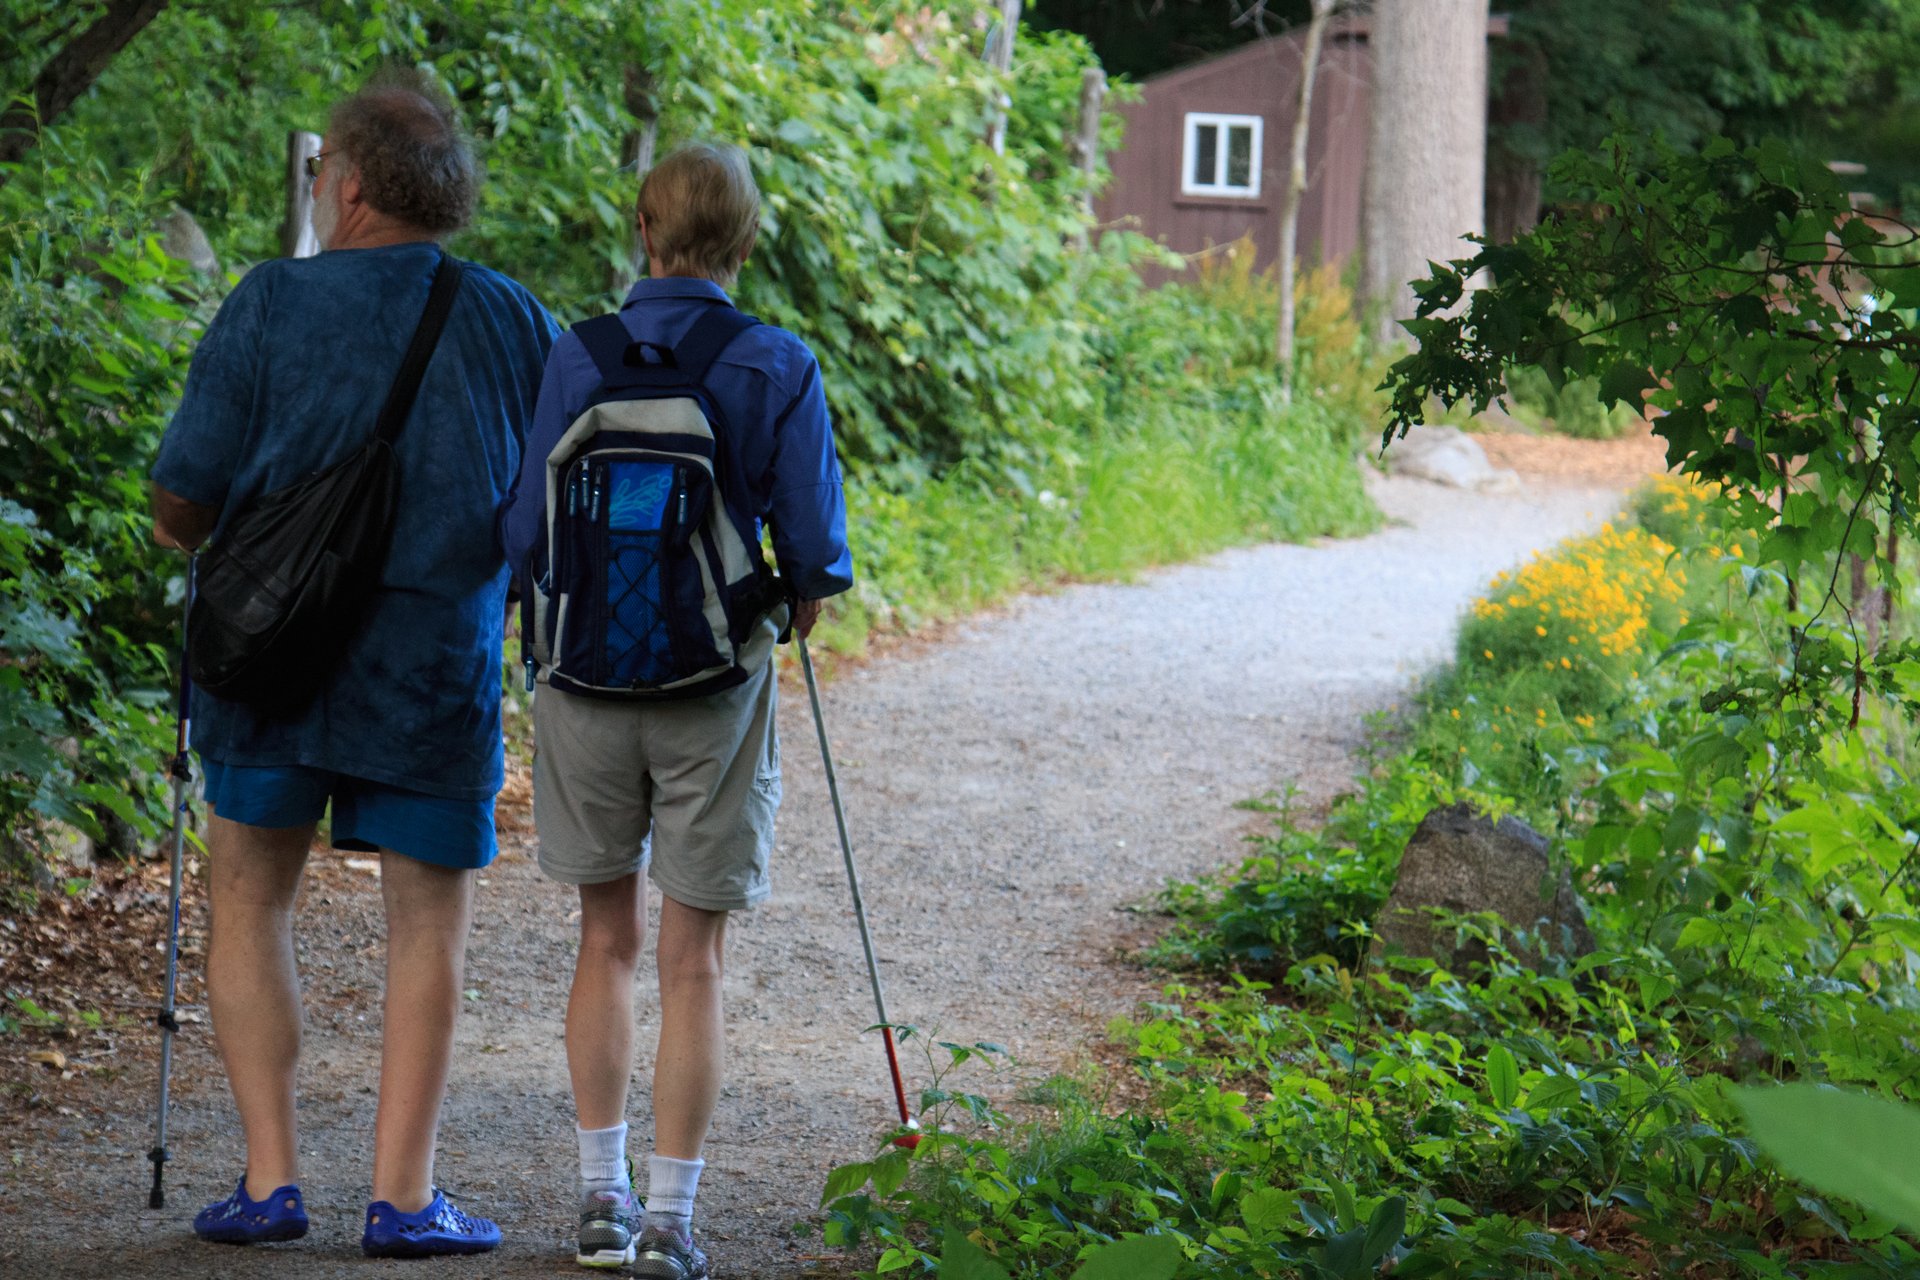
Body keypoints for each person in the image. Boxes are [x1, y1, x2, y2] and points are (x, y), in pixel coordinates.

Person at [149, 72, 559, 1259]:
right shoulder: (511, 317)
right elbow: (539, 508)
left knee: (248, 893)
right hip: (432, 668)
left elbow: (184, 498)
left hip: (267, 659)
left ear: (352, 184)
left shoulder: (271, 301)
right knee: (427, 924)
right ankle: (403, 1195)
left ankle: (271, 1178)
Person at [500, 142, 853, 1277]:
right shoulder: (774, 363)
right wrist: (791, 604)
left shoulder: (577, 353)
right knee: (691, 958)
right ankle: (670, 1222)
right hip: (712, 688)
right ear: (745, 244)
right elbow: (813, 557)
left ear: (642, 233)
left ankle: (598, 1200)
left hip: (583, 683)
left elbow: (523, 534)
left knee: (605, 941)